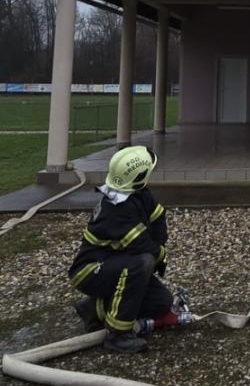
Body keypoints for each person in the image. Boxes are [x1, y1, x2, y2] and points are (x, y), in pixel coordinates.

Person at [68, 144, 175, 354]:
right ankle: (118, 335)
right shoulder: (116, 210)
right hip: (90, 271)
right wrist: (160, 254)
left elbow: (157, 216)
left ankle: (93, 308)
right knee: (142, 262)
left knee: (162, 303)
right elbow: (142, 247)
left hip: (118, 263)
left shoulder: (138, 192)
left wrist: (160, 245)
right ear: (138, 176)